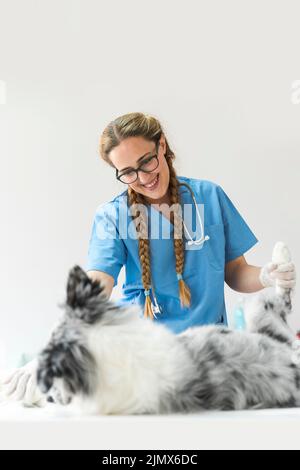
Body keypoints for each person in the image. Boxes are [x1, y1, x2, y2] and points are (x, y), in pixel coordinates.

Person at [1, 112, 296, 405]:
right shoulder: (113, 216)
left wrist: (266, 277)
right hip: (145, 365)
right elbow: (97, 284)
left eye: (146, 162)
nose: (142, 178)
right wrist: (55, 346)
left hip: (209, 359)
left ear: (162, 146)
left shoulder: (209, 196)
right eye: (128, 172)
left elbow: (235, 271)